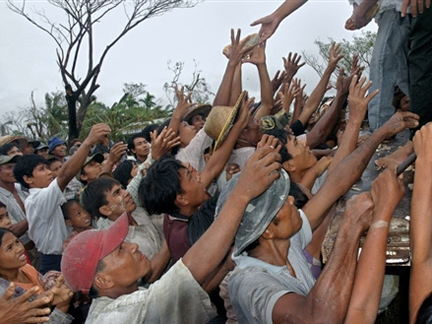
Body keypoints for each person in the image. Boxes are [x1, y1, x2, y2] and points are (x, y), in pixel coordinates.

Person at [61, 145, 281, 324]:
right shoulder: (117, 317)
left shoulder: (128, 297)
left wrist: (223, 266)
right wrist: (242, 193)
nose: (133, 246)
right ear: (103, 280)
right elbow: (187, 272)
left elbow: (186, 290)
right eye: (120, 250)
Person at [13, 123, 111, 274]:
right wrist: (88, 142)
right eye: (41, 169)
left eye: (47, 168)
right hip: (55, 261)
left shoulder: (45, 195)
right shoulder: (37, 199)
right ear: (28, 179)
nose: (49, 173)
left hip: (66, 255)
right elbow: (65, 175)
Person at [0, 228, 74, 321]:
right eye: (9, 248)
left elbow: (44, 300)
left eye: (17, 242)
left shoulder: (26, 268)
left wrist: (52, 298)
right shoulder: (5, 295)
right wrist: (63, 305)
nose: (19, 249)